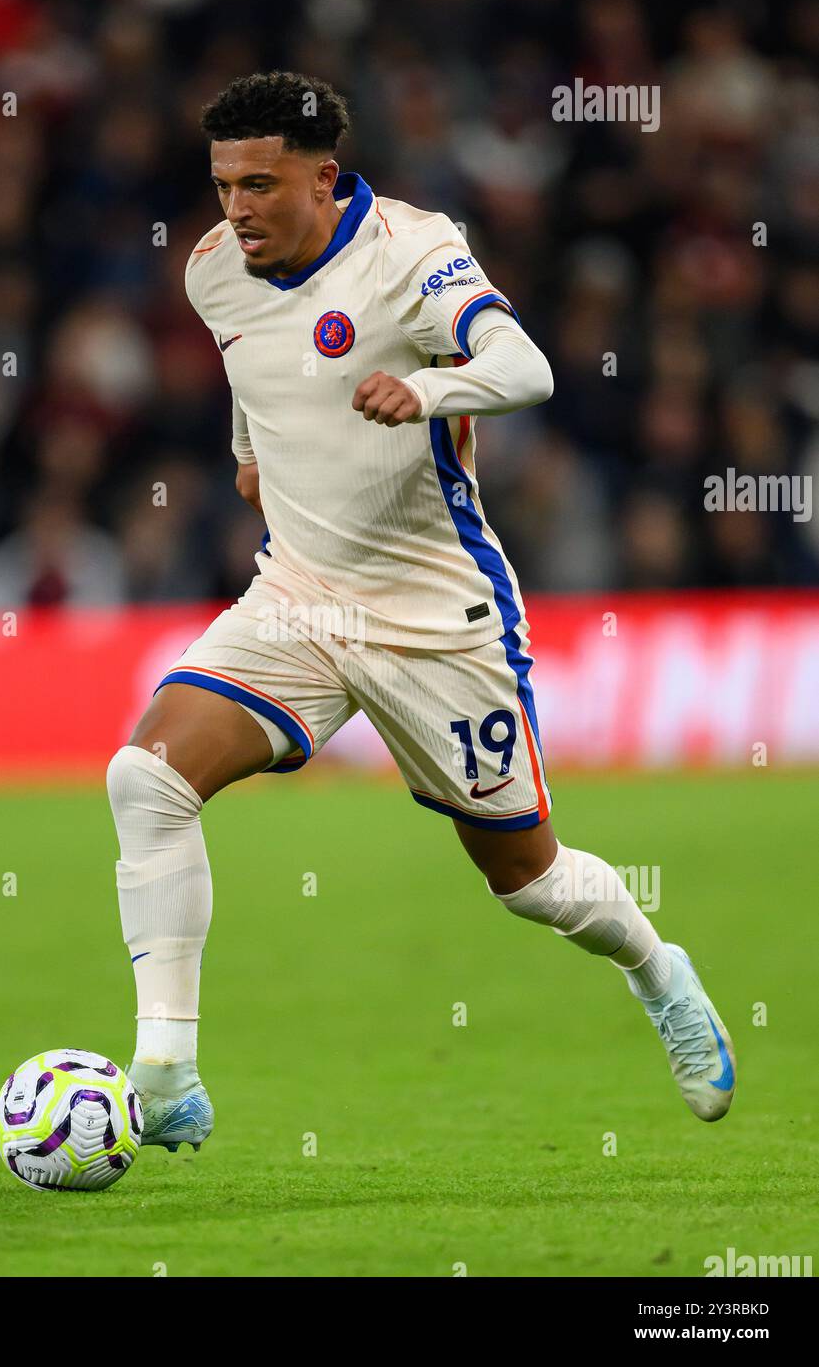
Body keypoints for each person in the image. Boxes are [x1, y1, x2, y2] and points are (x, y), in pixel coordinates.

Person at [106, 71, 735, 1152]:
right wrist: (249, 458)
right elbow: (250, 378)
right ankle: (164, 1069)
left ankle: (658, 970)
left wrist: (429, 390)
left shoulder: (409, 249)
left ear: (324, 176)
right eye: (222, 185)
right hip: (300, 599)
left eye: (260, 184)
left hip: (438, 619)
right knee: (146, 778)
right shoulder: (215, 271)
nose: (237, 208)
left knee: (529, 883)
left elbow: (525, 364)